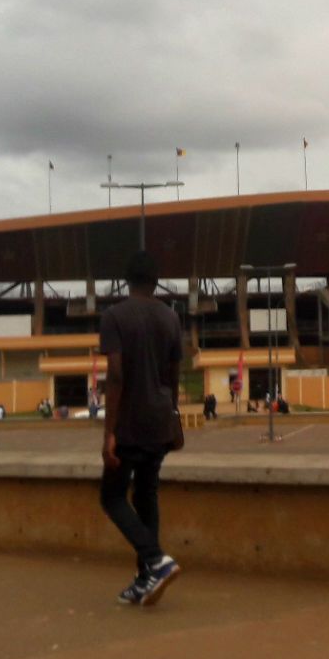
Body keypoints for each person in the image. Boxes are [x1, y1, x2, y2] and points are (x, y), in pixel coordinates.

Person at [99, 251, 184, 607]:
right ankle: (145, 578)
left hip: (130, 421)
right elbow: (174, 373)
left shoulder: (115, 316)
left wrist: (109, 432)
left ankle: (155, 560)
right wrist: (173, 411)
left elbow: (116, 375)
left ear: (127, 279)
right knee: (146, 495)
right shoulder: (170, 317)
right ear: (155, 280)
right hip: (160, 420)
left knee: (112, 497)